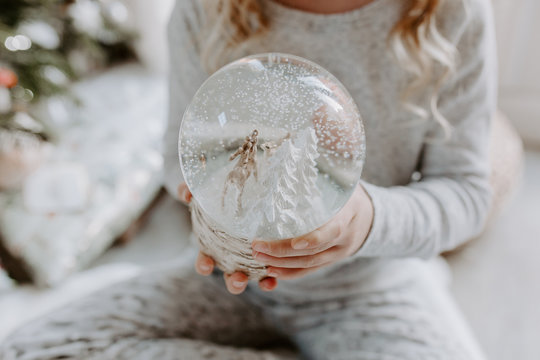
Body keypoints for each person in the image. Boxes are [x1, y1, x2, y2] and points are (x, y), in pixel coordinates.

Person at [1, 0, 496, 359]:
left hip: (372, 286)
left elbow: (467, 195)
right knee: (35, 346)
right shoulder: (207, 9)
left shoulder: (452, 14)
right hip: (228, 280)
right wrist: (209, 209)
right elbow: (181, 157)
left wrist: (366, 219)